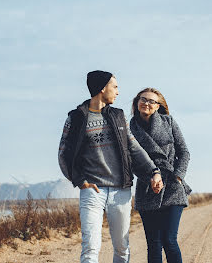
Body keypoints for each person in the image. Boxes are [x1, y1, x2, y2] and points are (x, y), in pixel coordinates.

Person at [58, 71, 163, 263]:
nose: (117, 92)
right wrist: (80, 181)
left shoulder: (117, 116)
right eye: (114, 87)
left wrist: (154, 171)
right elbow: (63, 154)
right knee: (90, 248)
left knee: (122, 248)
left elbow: (133, 147)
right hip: (92, 191)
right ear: (102, 88)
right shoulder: (76, 118)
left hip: (120, 190)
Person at [130, 87, 191, 263]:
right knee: (153, 243)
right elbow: (132, 161)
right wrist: (149, 178)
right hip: (147, 188)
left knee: (169, 240)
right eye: (143, 99)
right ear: (137, 102)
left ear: (158, 106)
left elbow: (184, 152)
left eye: (151, 101)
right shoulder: (129, 128)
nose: (146, 103)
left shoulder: (169, 122)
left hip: (172, 186)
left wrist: (178, 177)